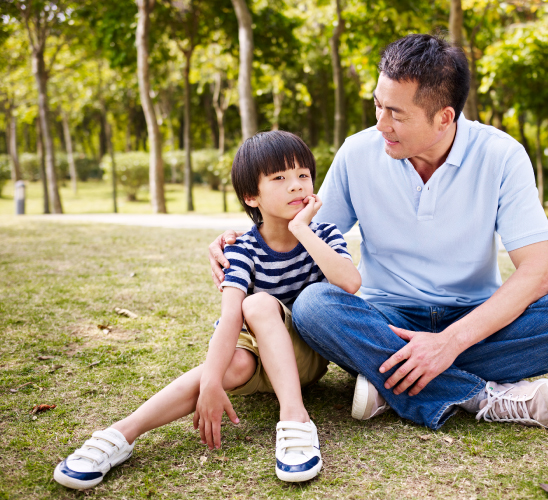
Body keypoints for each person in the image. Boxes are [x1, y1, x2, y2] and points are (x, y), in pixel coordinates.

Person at [209, 34, 548, 432]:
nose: (380, 123)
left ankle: (390, 378)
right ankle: (480, 395)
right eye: (378, 105)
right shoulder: (358, 152)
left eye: (395, 114)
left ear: (444, 118)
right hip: (383, 316)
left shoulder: (501, 156)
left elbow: (538, 273)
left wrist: (449, 342)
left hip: (473, 317)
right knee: (316, 306)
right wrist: (242, 239)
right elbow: (301, 230)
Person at [54, 131, 361, 490]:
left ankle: (296, 419)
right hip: (256, 356)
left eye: (303, 175)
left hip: (306, 356)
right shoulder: (242, 248)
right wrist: (212, 383)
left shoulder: (323, 233)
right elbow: (230, 316)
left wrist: (300, 229)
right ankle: (120, 435)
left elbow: (349, 282)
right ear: (251, 196)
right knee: (235, 352)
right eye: (279, 178)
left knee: (258, 303)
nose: (296, 185)